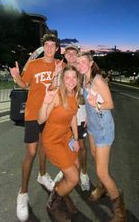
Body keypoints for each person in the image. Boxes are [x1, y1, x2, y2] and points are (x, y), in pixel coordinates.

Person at [9, 33, 63, 222]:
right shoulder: (33, 65)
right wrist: (17, 78)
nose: (49, 48)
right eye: (46, 45)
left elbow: (62, 88)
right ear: (43, 47)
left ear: (57, 48)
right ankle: (23, 193)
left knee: (45, 147)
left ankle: (42, 174)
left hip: (50, 114)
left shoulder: (60, 65)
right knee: (31, 152)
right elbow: (24, 84)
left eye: (52, 45)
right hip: (33, 114)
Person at [76, 52, 127, 222]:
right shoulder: (84, 78)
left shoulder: (97, 80)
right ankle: (101, 188)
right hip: (92, 126)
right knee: (94, 156)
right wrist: (86, 119)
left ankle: (120, 211)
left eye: (84, 61)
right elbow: (86, 101)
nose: (81, 64)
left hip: (103, 128)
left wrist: (95, 104)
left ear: (91, 63)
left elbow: (110, 104)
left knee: (102, 171)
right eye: (78, 62)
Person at [38, 65, 81, 221]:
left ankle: (62, 193)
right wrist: (45, 102)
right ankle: (53, 204)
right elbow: (40, 119)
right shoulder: (56, 94)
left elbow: (73, 116)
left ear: (78, 79)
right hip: (53, 140)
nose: (71, 81)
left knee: (75, 166)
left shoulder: (75, 94)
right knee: (74, 178)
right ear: (62, 79)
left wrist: (75, 139)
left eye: (74, 77)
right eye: (67, 77)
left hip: (66, 136)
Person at [54, 44, 90, 192]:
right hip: (65, 115)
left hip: (80, 115)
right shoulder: (62, 70)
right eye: (67, 53)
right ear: (65, 55)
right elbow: (55, 90)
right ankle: (64, 171)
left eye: (73, 53)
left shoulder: (82, 72)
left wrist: (88, 114)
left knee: (81, 146)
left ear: (77, 54)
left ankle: (83, 174)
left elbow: (89, 94)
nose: (70, 55)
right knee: (64, 146)